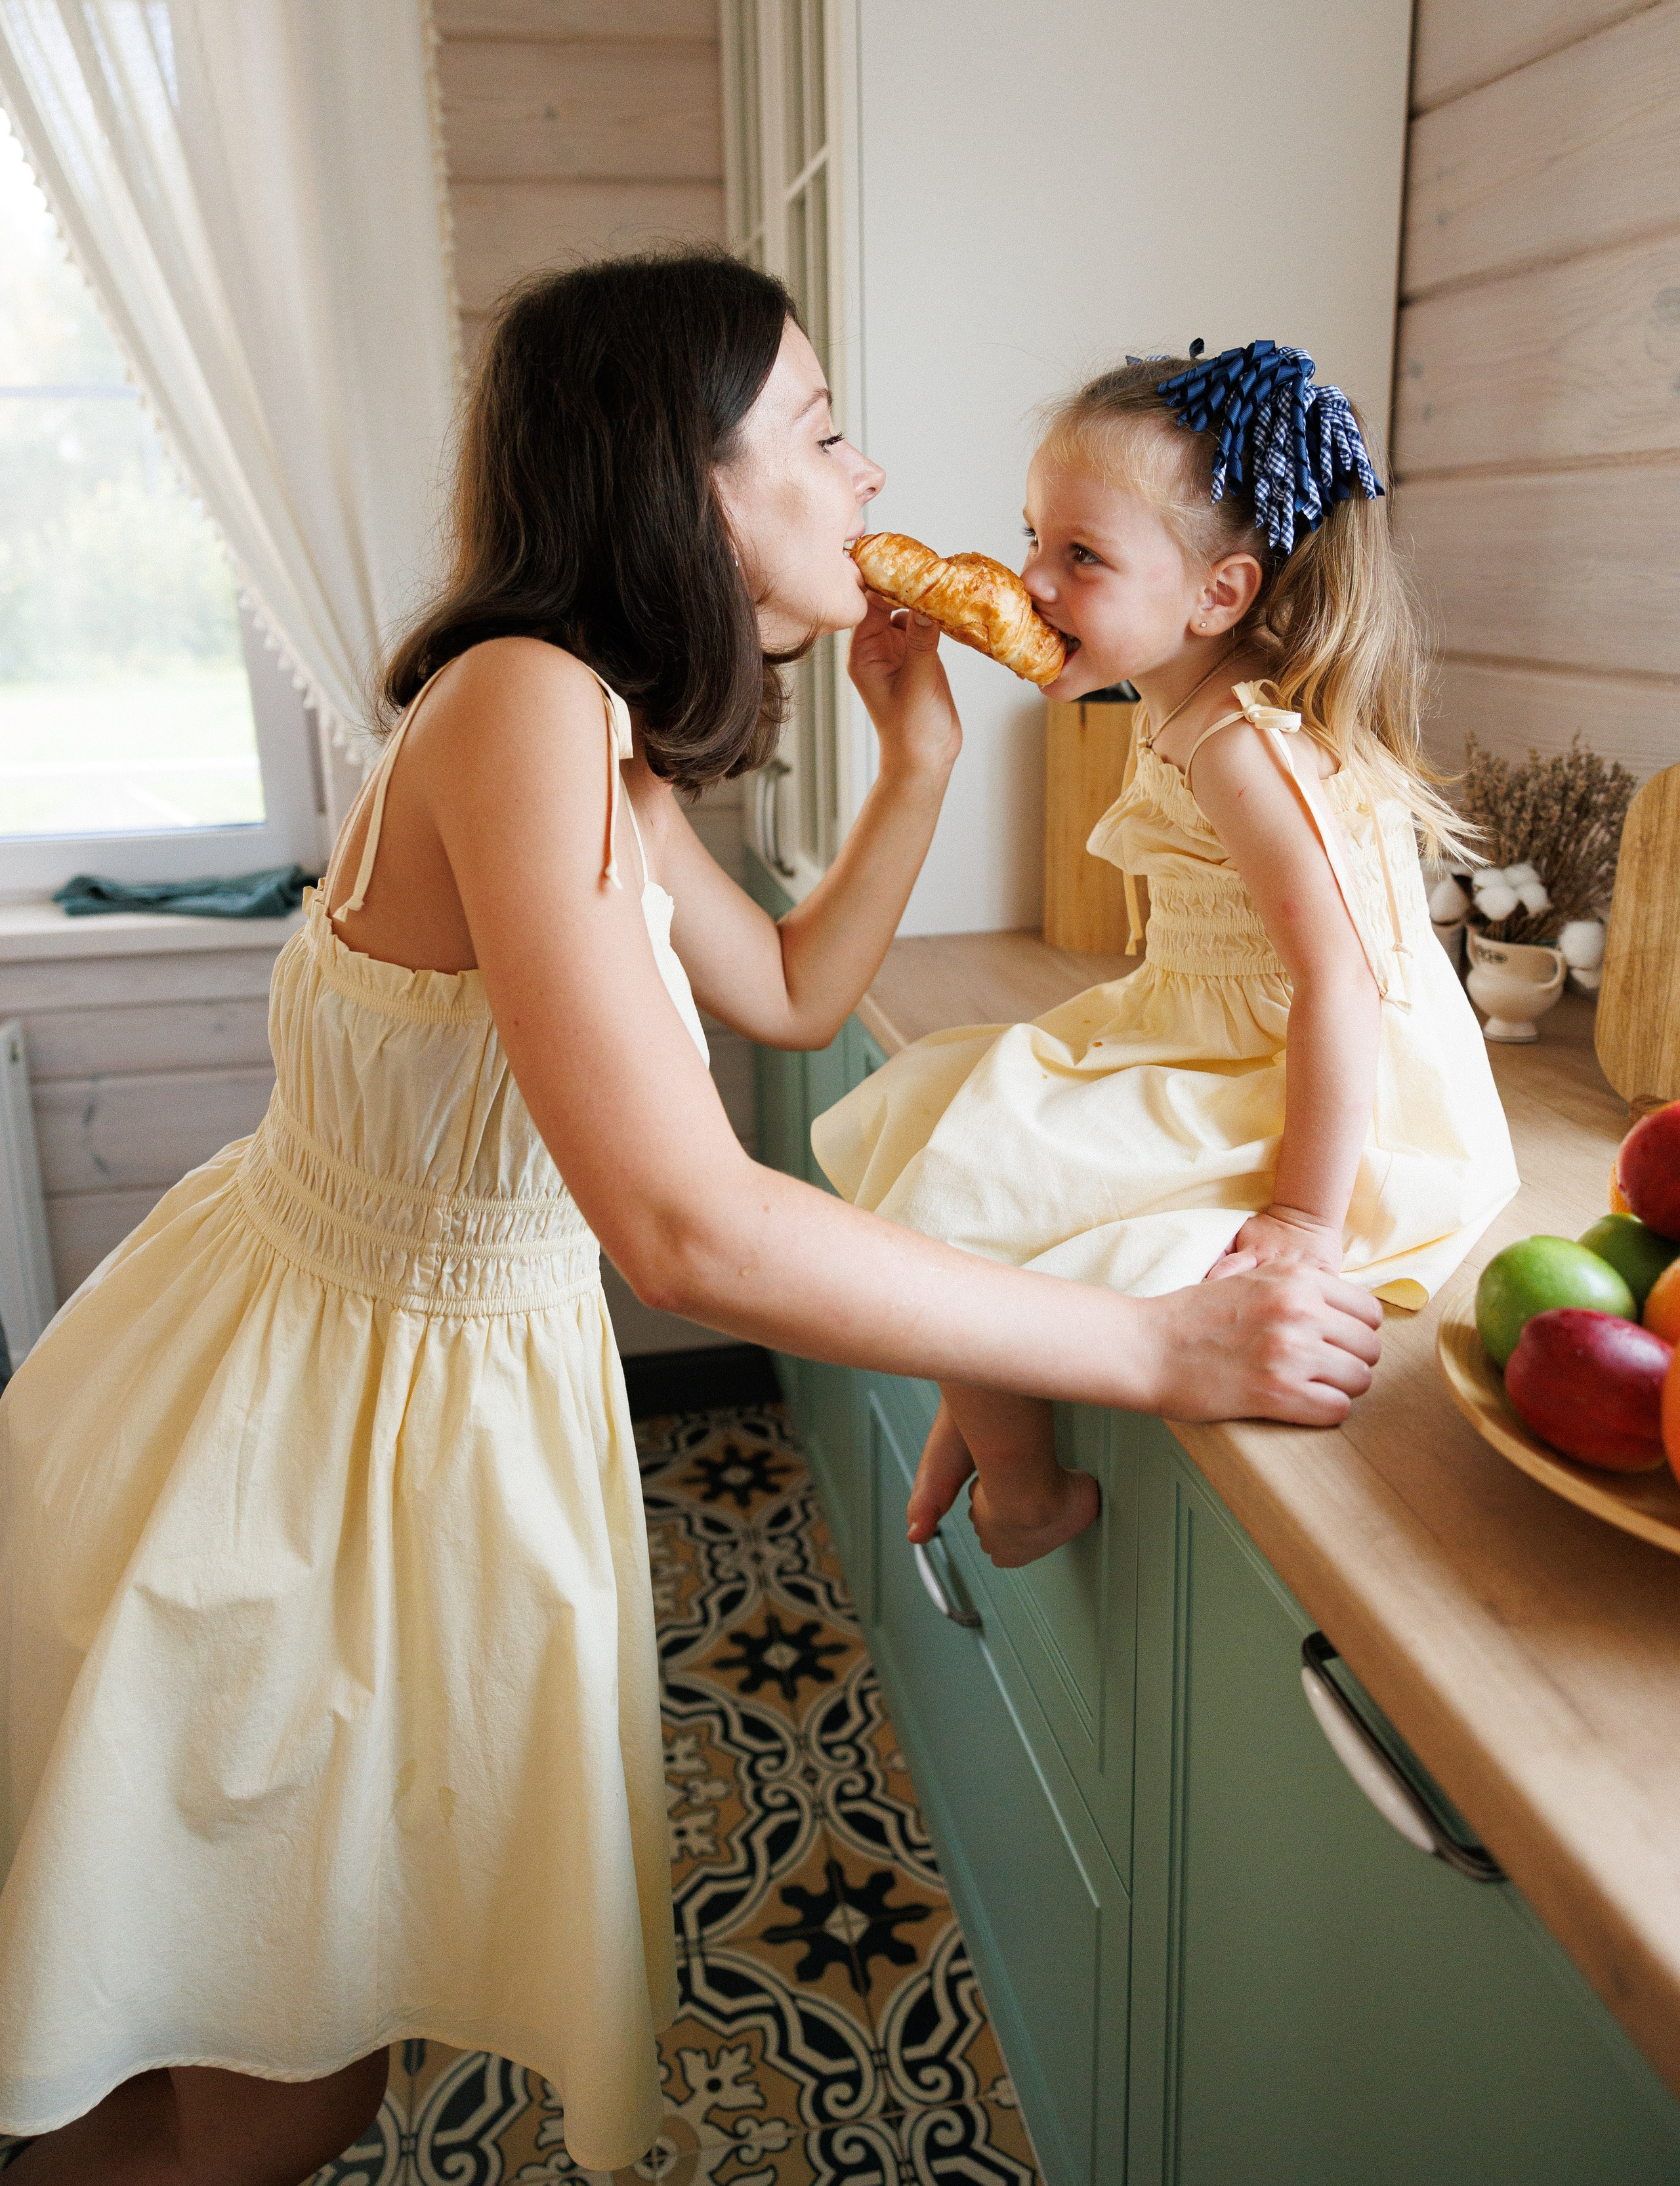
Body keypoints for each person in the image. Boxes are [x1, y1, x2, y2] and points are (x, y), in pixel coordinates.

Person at [0, 268, 1382, 2186]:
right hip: (304, 1440)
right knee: (266, 2086)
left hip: (411, 1411)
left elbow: (795, 994)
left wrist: (917, 760)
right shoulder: (524, 704)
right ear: (684, 481)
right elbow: (681, 1226)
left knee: (261, 2042)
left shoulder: (593, 733)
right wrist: (1154, 1344)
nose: (869, 472)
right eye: (820, 429)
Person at [815, 343, 1518, 1570]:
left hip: (1301, 1091)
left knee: (952, 1197)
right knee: (944, 1119)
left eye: (1081, 556)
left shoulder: (1242, 745)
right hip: (1203, 1036)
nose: (1030, 580)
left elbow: (1342, 980)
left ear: (1217, 594)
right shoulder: (1182, 702)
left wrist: (1303, 1217)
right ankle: (983, 1407)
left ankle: (1025, 1490)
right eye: (1032, 538)